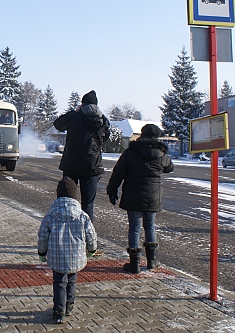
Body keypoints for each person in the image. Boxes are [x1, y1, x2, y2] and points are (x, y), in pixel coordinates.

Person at [106, 124, 174, 273]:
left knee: (134, 229)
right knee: (150, 226)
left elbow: (118, 172)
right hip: (153, 195)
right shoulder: (161, 154)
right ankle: (151, 261)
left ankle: (134, 263)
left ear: (142, 135)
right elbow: (169, 167)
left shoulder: (131, 152)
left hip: (133, 194)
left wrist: (112, 190)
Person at [38, 177, 97, 324]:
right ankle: (69, 306)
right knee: (72, 280)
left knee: (59, 282)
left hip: (57, 257)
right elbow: (91, 235)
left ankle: (58, 311)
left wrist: (42, 252)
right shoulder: (83, 216)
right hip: (76, 257)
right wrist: (92, 249)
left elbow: (43, 236)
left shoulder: (50, 216)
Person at [53, 90, 110, 223]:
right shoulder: (103, 120)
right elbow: (105, 137)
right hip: (92, 166)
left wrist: (75, 112)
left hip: (71, 164)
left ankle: (66, 232)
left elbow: (58, 125)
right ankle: (87, 235)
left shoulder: (73, 116)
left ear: (82, 104)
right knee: (88, 205)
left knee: (67, 201)